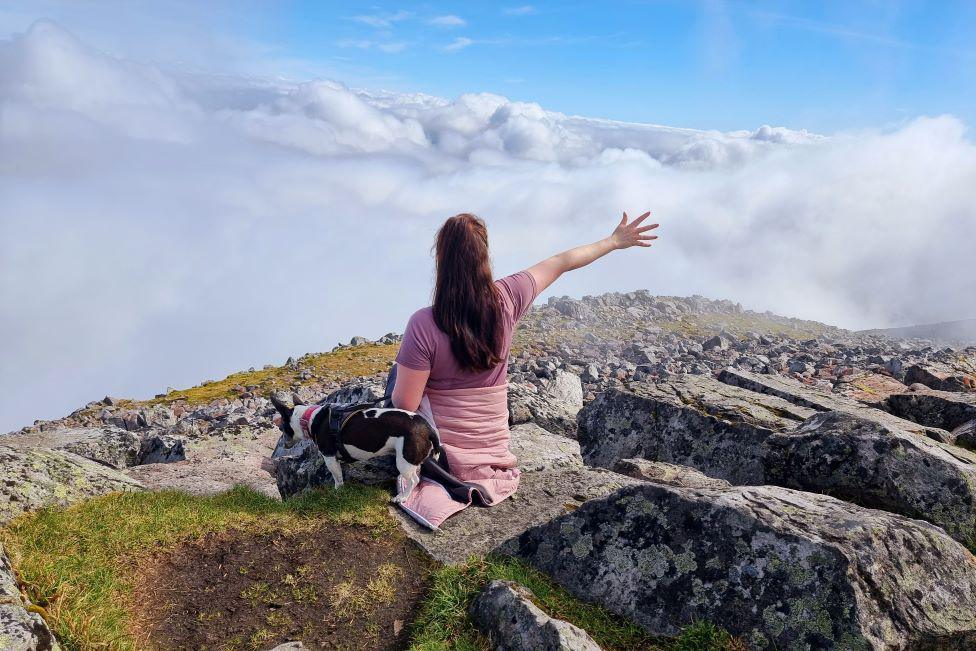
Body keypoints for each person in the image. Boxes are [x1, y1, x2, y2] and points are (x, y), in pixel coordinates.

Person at [391, 211, 658, 529]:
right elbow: (561, 261)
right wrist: (614, 241)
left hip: (445, 454)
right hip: (493, 450)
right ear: (484, 256)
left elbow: (404, 406)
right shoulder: (508, 297)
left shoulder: (423, 323)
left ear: (442, 260)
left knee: (399, 376)